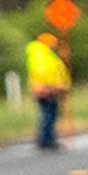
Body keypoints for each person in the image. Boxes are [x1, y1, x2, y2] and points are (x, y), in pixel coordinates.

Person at [23, 24, 71, 152]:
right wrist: (45, 88)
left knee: (49, 115)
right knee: (49, 115)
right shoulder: (41, 55)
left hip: (50, 90)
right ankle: (46, 140)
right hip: (47, 91)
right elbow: (41, 72)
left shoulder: (42, 54)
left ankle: (46, 139)